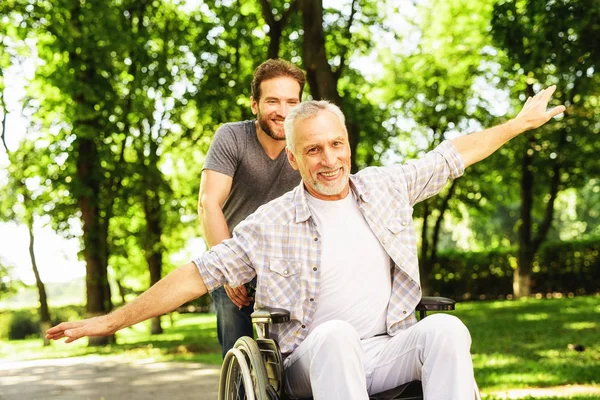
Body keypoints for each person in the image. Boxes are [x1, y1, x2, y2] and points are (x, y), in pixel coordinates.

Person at [47, 86, 565, 399]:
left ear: (348, 144)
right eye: (313, 150)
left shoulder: (386, 188)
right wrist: (107, 322)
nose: (329, 159)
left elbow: (454, 154)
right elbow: (194, 275)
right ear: (293, 160)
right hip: (307, 362)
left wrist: (520, 123)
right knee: (336, 335)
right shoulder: (269, 223)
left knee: (447, 330)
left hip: (386, 349)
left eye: (336, 144)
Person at [198, 59, 303, 357]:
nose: (283, 111)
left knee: (298, 356)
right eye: (272, 101)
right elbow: (208, 203)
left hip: (288, 262)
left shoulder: (307, 142)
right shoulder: (232, 137)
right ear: (254, 104)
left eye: (291, 102)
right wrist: (230, 269)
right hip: (234, 254)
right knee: (239, 353)